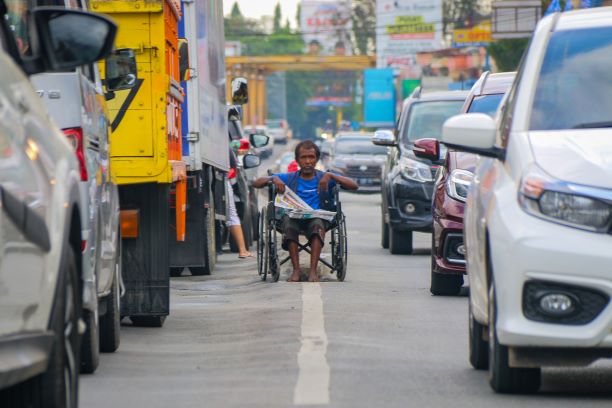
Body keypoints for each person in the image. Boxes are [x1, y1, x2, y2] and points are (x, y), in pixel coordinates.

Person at [252, 140, 358, 282]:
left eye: (311, 157)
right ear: (297, 160)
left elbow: (354, 186)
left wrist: (331, 176)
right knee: (289, 223)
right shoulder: (289, 178)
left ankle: (313, 271)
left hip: (318, 220)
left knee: (317, 223)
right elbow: (256, 183)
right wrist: (273, 178)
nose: (308, 161)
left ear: (316, 159)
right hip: (294, 219)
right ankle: (296, 270)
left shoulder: (324, 178)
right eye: (304, 158)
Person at [227, 147, 252, 259]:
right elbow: (233, 169)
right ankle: (242, 250)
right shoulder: (226, 148)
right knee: (232, 215)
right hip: (224, 181)